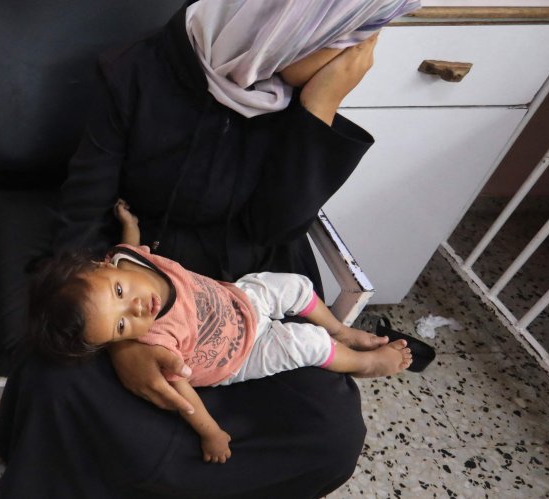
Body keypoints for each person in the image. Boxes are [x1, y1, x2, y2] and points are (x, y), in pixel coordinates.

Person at [0, 0, 422, 497]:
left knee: (329, 435)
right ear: (291, 18)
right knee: (54, 382)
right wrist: (128, 343)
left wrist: (319, 109)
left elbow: (274, 228)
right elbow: (79, 227)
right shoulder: (134, 74)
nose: (357, 62)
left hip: (246, 304)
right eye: (348, 40)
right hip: (143, 286)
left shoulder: (293, 101)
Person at [28, 199, 411, 464]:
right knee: (306, 343)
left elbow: (130, 246)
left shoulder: (127, 258)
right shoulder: (154, 341)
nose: (136, 308)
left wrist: (130, 225)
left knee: (295, 285)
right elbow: (181, 393)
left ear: (105, 265)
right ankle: (360, 362)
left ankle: (340, 329)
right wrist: (210, 432)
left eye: (120, 292)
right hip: (238, 355)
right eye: (121, 326)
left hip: (239, 300)